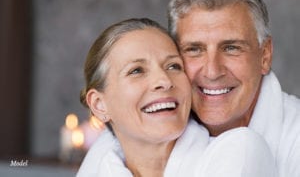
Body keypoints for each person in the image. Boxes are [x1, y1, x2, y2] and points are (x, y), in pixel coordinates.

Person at [77, 18, 277, 177]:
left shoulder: (240, 151)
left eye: (173, 66)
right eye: (137, 70)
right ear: (99, 105)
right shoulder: (100, 165)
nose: (164, 80)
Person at [167, 0, 300, 176]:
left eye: (231, 48)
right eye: (194, 50)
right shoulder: (147, 132)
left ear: (265, 56)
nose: (212, 72)